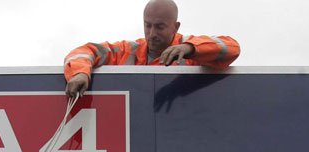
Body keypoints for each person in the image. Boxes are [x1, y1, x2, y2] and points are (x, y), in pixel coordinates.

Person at [64, 0, 240, 97]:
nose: (152, 33)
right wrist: (80, 73)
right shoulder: (127, 50)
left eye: (160, 27)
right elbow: (84, 51)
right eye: (147, 25)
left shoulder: (192, 49)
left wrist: (190, 48)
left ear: (175, 27)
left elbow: (232, 47)